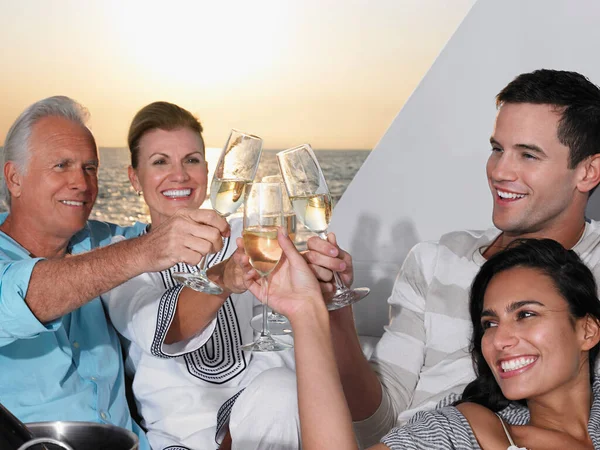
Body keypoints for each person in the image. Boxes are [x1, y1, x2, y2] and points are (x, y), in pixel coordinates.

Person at [251, 68, 600, 449]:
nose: (500, 171)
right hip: (422, 438)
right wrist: (331, 312)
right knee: (270, 392)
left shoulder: (590, 275)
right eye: (497, 149)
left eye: (528, 155)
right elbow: (378, 422)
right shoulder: (437, 259)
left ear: (588, 171)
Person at [0, 96, 231, 450]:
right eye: (61, 165)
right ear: (15, 178)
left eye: (89, 167)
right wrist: (147, 251)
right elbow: (28, 295)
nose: (81, 182)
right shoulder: (120, 250)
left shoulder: (105, 240)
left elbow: (166, 222)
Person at [263, 232, 600, 449]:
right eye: (490, 323)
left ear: (587, 330)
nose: (500, 339)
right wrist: (307, 314)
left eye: (526, 314)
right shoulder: (464, 430)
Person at [101, 101, 299, 450]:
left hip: (267, 421)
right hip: (179, 440)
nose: (179, 175)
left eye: (191, 160)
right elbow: (164, 329)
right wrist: (223, 279)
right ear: (134, 178)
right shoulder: (122, 257)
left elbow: (279, 338)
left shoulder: (249, 235)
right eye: (160, 162)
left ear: (208, 171)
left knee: (281, 388)